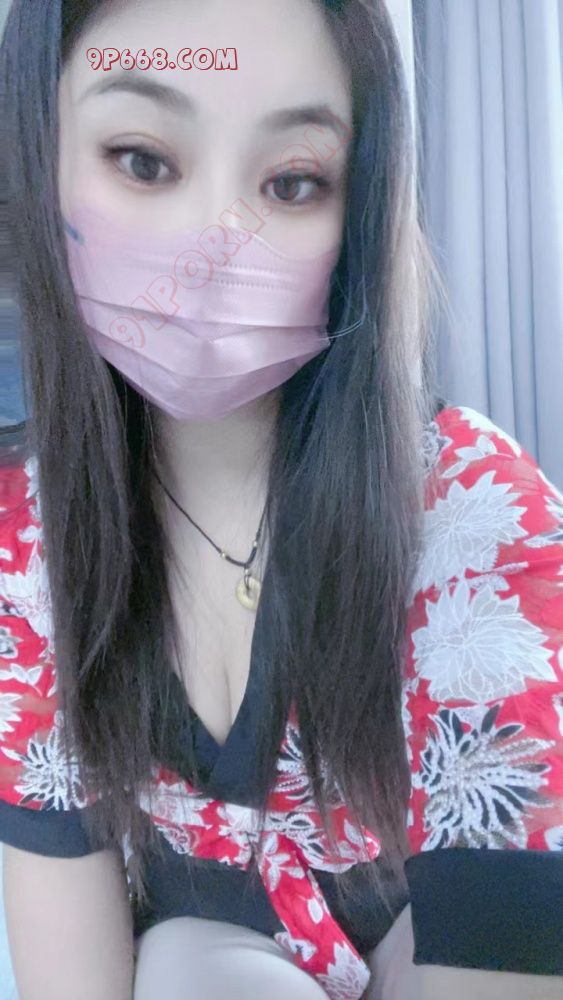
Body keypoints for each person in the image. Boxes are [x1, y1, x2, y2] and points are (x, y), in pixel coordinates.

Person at [0, 1, 561, 998]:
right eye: (141, 159)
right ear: (36, 164)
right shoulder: (25, 542)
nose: (216, 244)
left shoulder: (475, 512)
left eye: (292, 181)